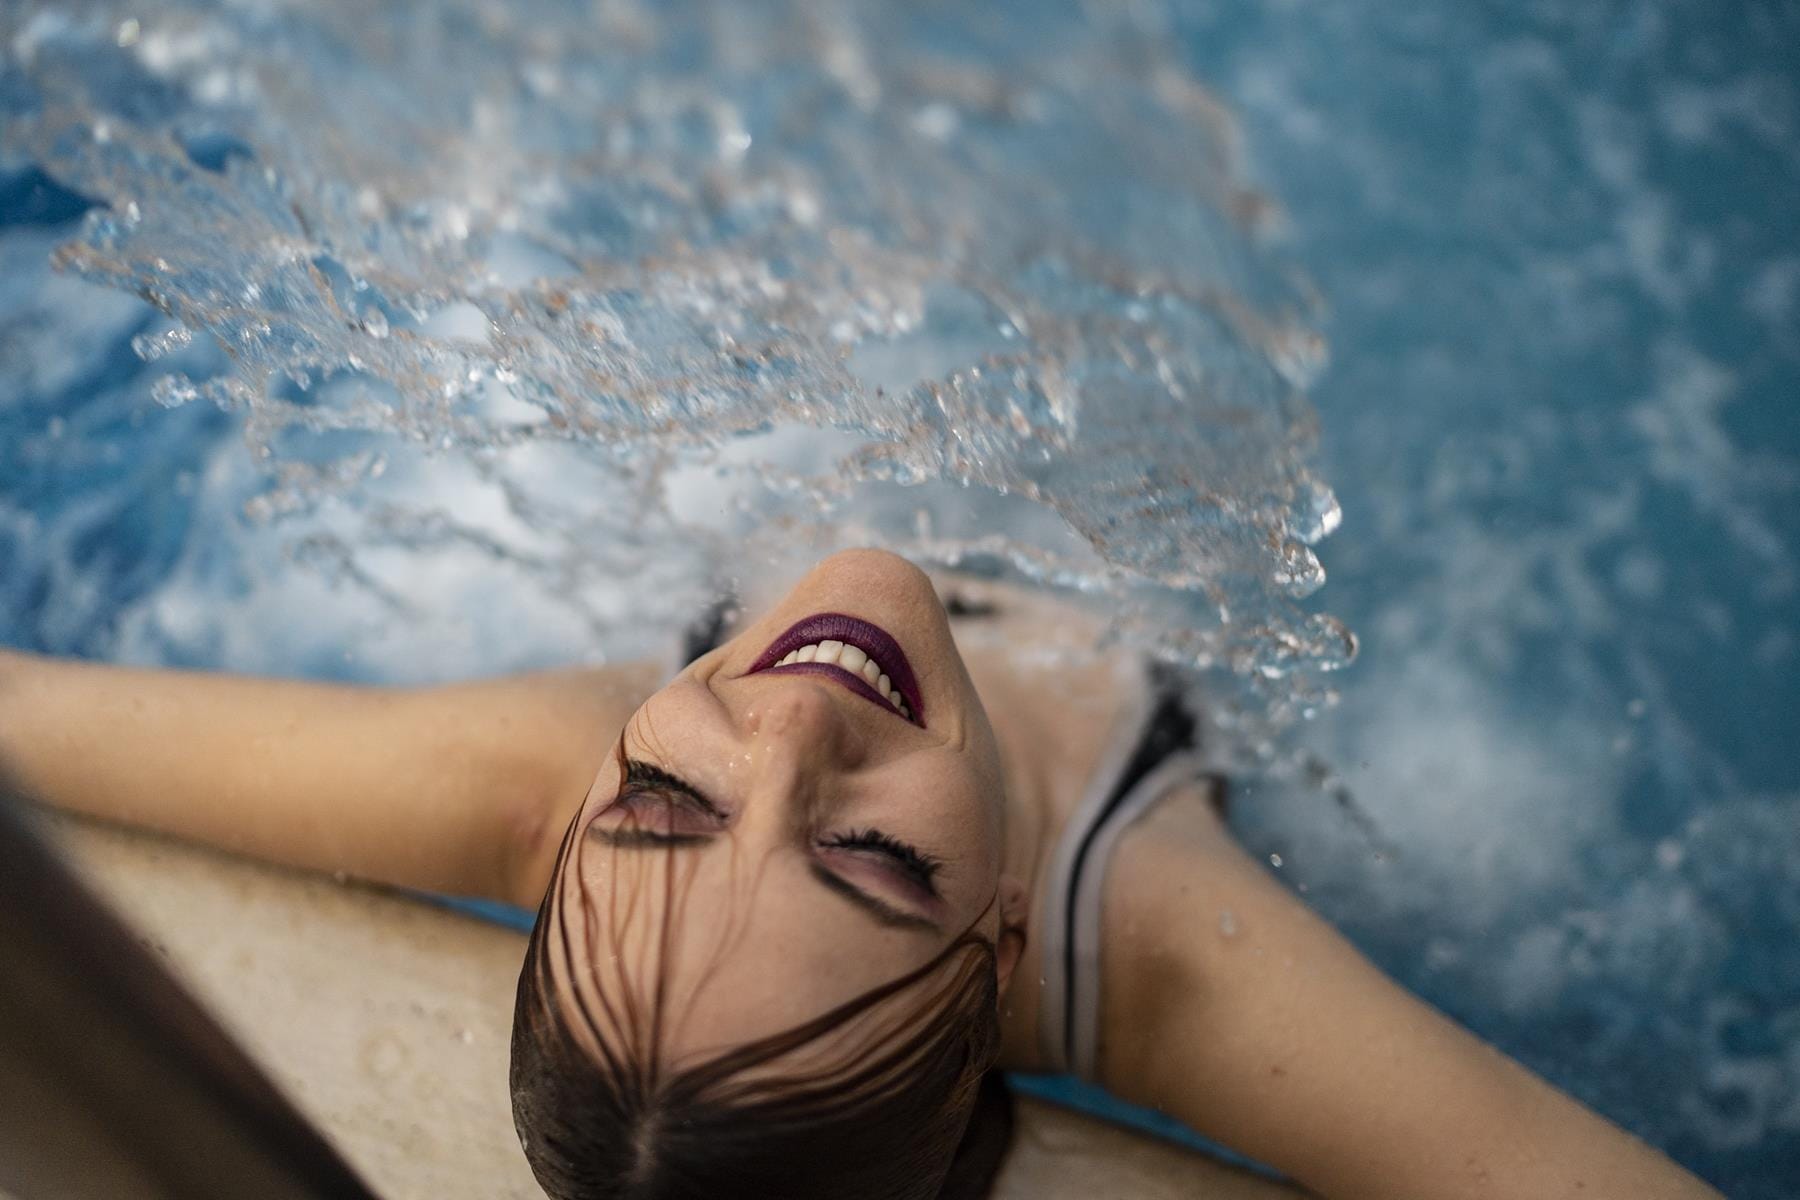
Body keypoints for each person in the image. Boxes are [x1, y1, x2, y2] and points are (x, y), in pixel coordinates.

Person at [0, 548, 1721, 1199]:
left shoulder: (543, 784)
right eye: (879, 860)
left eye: (665, 802)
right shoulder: (1169, 954)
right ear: (996, 955)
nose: (793, 736)